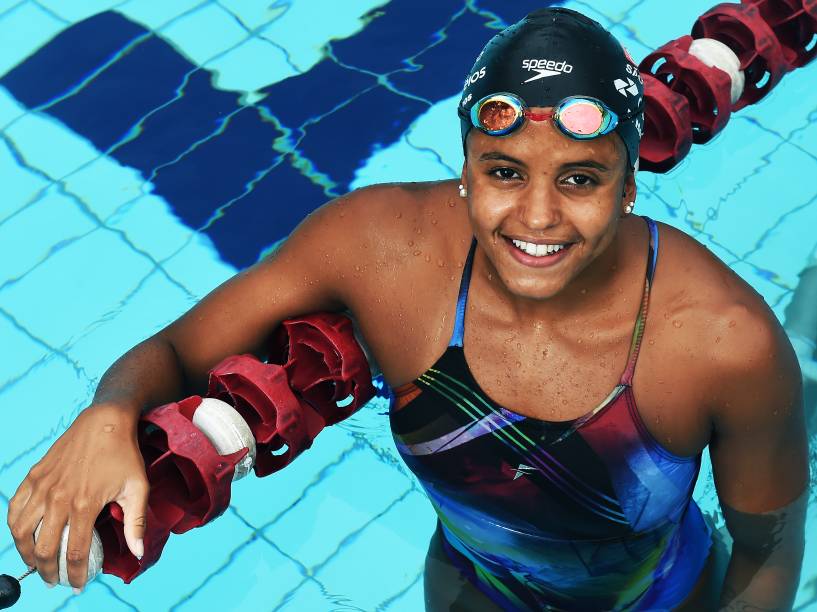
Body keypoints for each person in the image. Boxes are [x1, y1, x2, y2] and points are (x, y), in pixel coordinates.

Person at [6, 7, 809, 611]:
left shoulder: (717, 343)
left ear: (628, 186)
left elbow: (767, 549)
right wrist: (109, 413)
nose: (535, 218)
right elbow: (179, 352)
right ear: (464, 167)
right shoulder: (379, 249)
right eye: (502, 172)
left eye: (579, 178)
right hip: (465, 589)